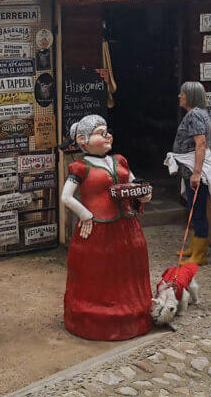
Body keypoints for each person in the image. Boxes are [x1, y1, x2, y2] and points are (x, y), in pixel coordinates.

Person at [60, 114, 153, 341]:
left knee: (127, 270)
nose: (107, 135)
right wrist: (86, 214)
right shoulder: (79, 167)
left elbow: (133, 184)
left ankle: (133, 313)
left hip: (126, 225)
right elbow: (66, 197)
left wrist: (143, 195)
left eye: (106, 131)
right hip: (98, 229)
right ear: (83, 140)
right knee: (99, 272)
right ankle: (95, 319)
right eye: (100, 133)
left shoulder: (120, 161)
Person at [163, 82, 211, 265]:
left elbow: (201, 144)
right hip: (191, 167)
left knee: (197, 211)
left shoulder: (195, 116)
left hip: (196, 169)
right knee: (193, 207)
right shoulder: (202, 113)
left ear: (190, 96)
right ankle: (194, 247)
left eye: (182, 94)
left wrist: (196, 173)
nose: (179, 96)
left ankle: (200, 255)